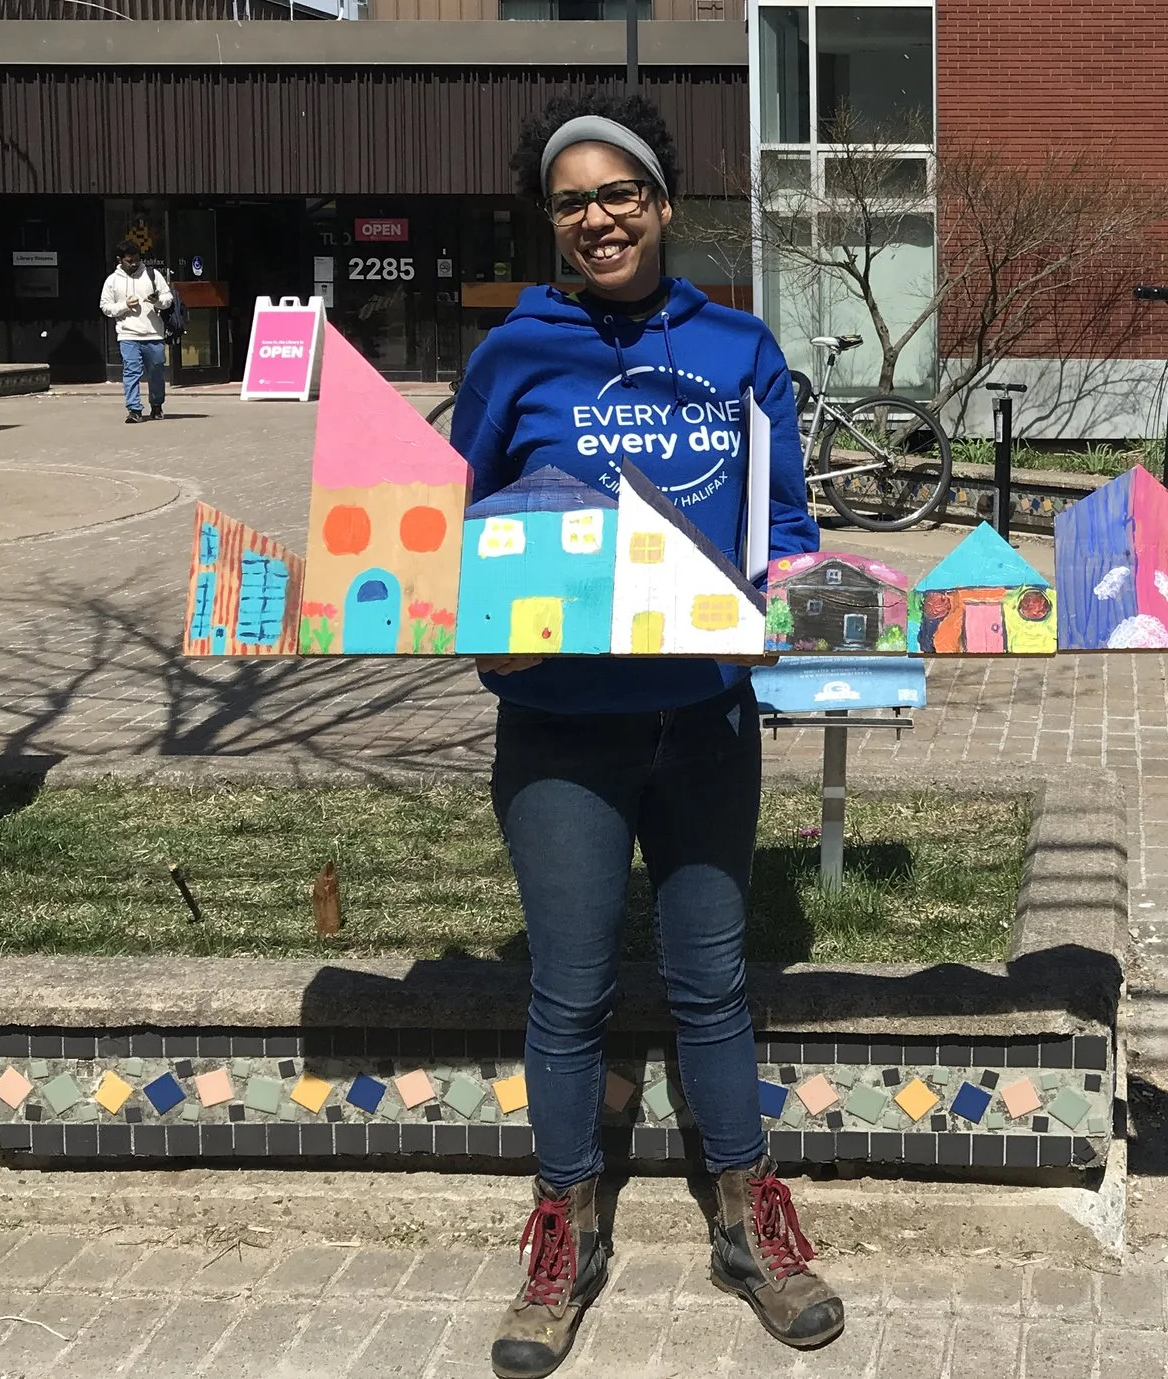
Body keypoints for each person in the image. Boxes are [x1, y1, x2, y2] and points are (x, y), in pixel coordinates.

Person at [449, 95, 838, 1378]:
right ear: (549, 221)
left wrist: (794, 588)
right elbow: (447, 521)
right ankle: (565, 1226)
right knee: (568, 991)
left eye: (622, 194)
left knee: (713, 983)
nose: (598, 217)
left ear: (666, 204)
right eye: (572, 202)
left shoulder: (735, 346)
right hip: (561, 726)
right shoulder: (515, 354)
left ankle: (748, 1218)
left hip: (706, 717)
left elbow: (785, 528)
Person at [97, 242, 173, 423]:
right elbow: (105, 307)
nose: (134, 264)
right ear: (120, 259)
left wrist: (157, 301)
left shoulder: (152, 275)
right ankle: (134, 409)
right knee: (131, 371)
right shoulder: (112, 281)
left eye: (137, 260)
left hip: (153, 333)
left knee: (156, 371)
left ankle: (156, 405)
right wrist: (124, 306)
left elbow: (167, 298)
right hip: (127, 335)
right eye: (129, 260)